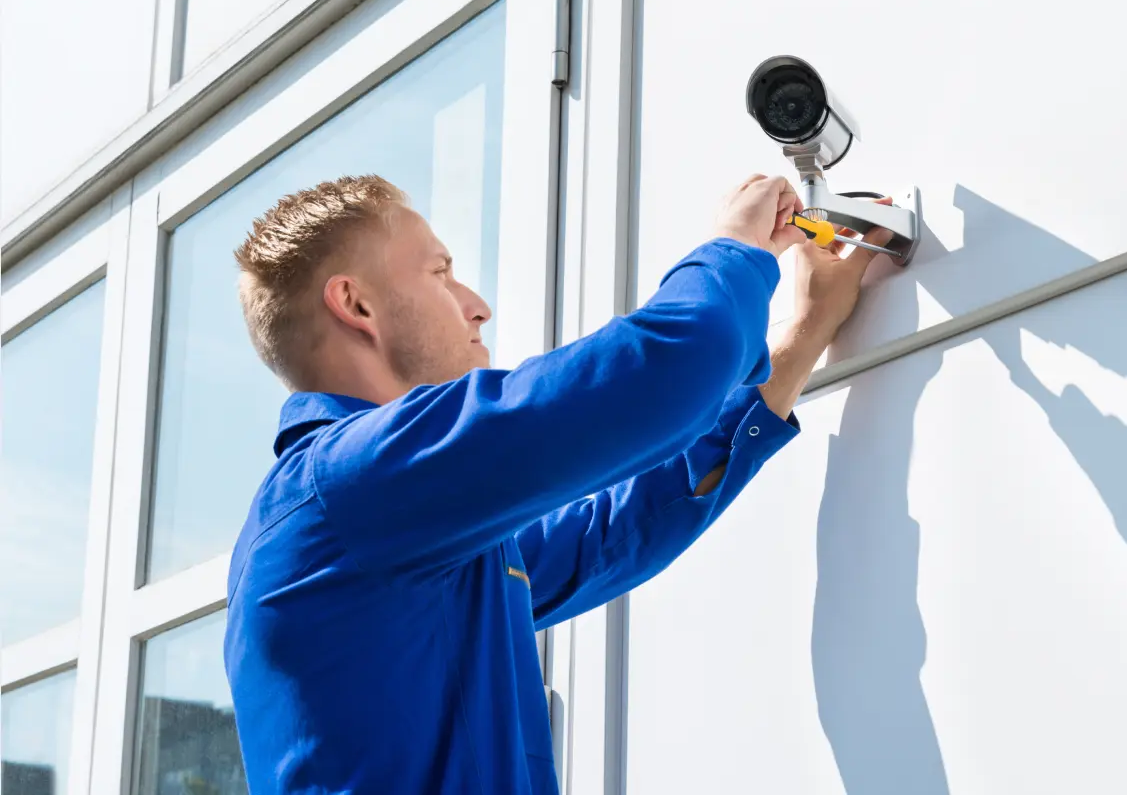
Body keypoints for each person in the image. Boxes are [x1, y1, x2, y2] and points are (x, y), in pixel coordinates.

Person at [224, 172, 891, 794]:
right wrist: (739, 244)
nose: (476, 306)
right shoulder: (351, 487)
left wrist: (803, 333)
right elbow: (664, 368)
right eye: (441, 273)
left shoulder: (397, 529)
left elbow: (619, 529)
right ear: (355, 303)